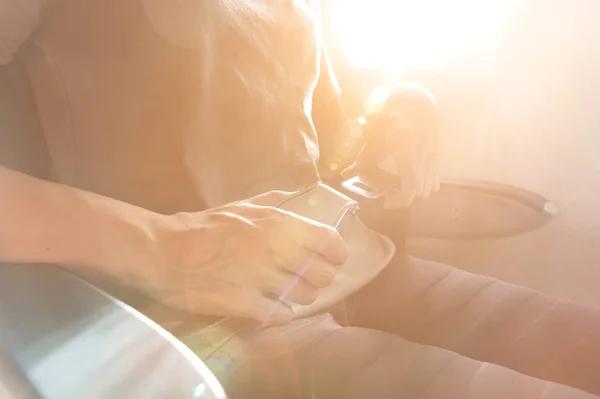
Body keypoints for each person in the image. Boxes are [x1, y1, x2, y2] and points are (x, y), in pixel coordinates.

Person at [1, 0, 600, 398]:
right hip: (214, 322)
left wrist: (397, 107)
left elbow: (320, 128)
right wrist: (171, 250)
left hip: (358, 262)